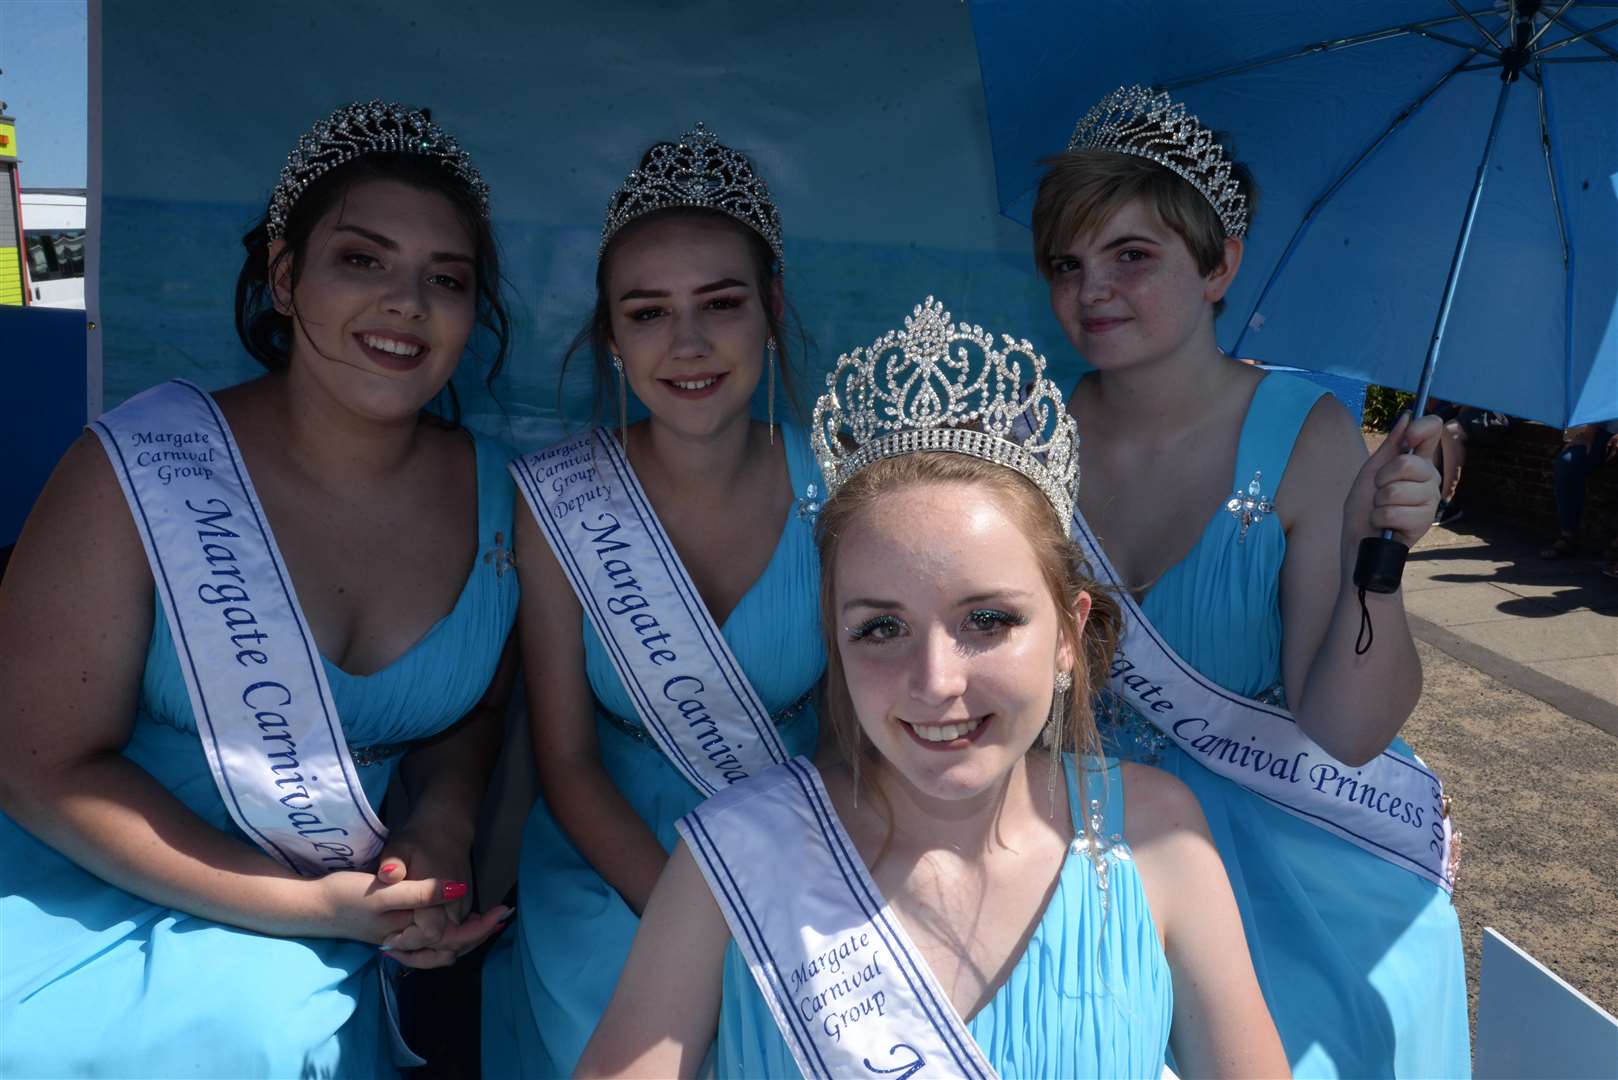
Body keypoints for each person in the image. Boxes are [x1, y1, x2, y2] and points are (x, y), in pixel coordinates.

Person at [575, 297, 1290, 1079]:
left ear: (1067, 634)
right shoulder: (737, 857)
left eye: (987, 619)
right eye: (881, 628)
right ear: (835, 645)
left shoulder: (1157, 837)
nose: (936, 681)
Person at [0, 102, 519, 1077]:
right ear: (283, 277)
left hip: (331, 914)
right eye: (361, 260)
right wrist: (305, 906)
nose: (407, 302)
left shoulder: (501, 499)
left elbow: (475, 703)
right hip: (81, 873)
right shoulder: (139, 465)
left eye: (445, 280)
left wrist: (442, 818)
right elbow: (37, 764)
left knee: (267, 1038)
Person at [1028, 86, 1469, 1077]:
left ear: (1218, 264)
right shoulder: (1026, 436)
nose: (1091, 289)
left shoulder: (1303, 433)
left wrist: (1375, 567)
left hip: (1267, 848)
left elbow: (1346, 732)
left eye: (1131, 255)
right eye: (1067, 263)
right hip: (1072, 830)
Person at [480, 123, 826, 1078]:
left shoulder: (846, 491)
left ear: (770, 308)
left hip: (802, 838)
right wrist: (692, 916)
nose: (688, 343)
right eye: (647, 313)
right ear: (610, 337)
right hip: (612, 857)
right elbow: (566, 761)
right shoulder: (556, 502)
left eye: (721, 303)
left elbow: (859, 734)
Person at [1540, 421, 1618, 577]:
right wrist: (1588, 434)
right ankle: (1568, 535)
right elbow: (1599, 404)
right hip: (1604, 433)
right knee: (1567, 463)